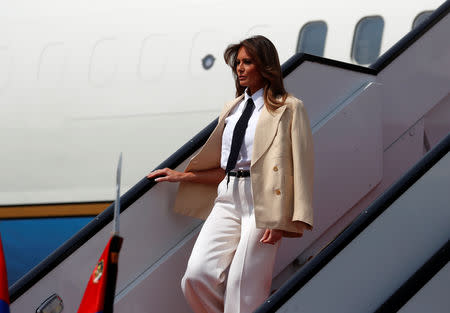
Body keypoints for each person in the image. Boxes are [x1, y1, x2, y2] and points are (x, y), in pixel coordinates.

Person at [147, 35, 314, 313]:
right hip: (226, 198)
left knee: (243, 288)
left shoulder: (288, 107)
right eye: (237, 63)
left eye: (247, 62)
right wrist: (183, 176)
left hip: (263, 203)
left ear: (265, 66)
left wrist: (284, 218)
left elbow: (301, 165)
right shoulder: (233, 109)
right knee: (196, 276)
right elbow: (227, 167)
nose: (240, 68)